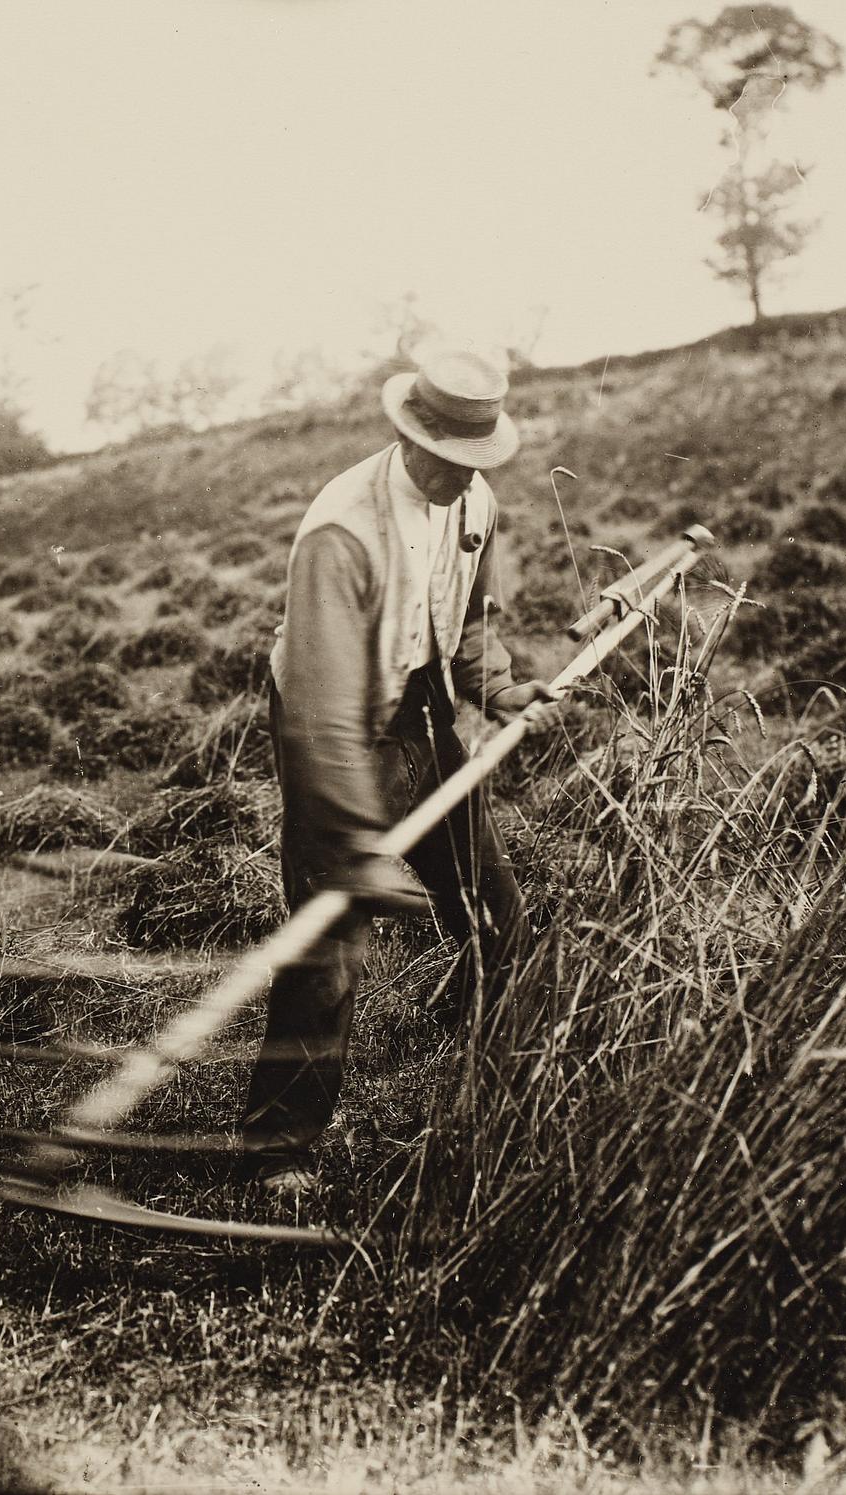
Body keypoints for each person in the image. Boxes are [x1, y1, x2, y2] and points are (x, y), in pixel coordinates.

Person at [243, 347, 558, 1194]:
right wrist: (355, 838)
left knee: (494, 909)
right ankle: (280, 1147)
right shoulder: (341, 532)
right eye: (451, 459)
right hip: (333, 725)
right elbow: (322, 710)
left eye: (477, 459)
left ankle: (508, 1086)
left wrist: (501, 688)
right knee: (332, 942)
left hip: (423, 704)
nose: (464, 474)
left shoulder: (475, 501)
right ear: (412, 438)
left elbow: (473, 619)